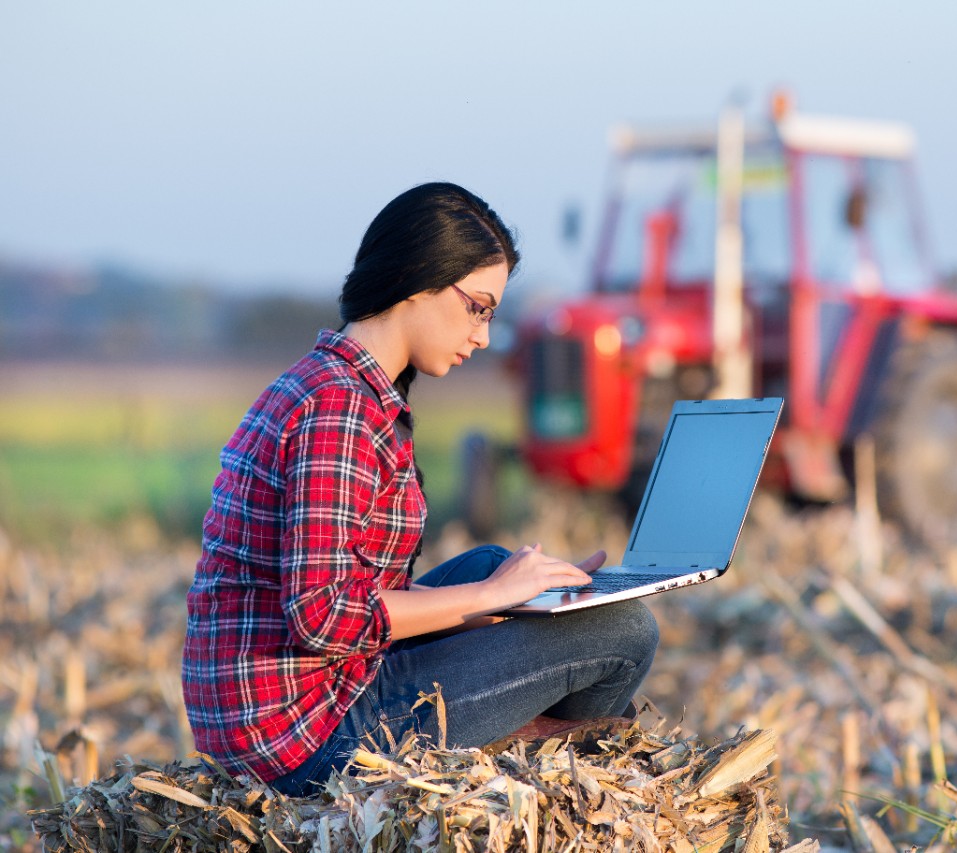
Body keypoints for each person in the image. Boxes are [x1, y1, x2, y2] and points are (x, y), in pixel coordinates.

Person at [182, 182, 660, 796]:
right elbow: (323, 618)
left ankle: (522, 756)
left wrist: (505, 593)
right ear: (419, 280)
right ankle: (536, 777)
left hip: (307, 696)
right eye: (478, 308)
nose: (484, 335)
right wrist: (490, 596)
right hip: (304, 738)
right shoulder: (339, 410)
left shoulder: (340, 386)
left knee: (508, 571)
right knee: (624, 633)